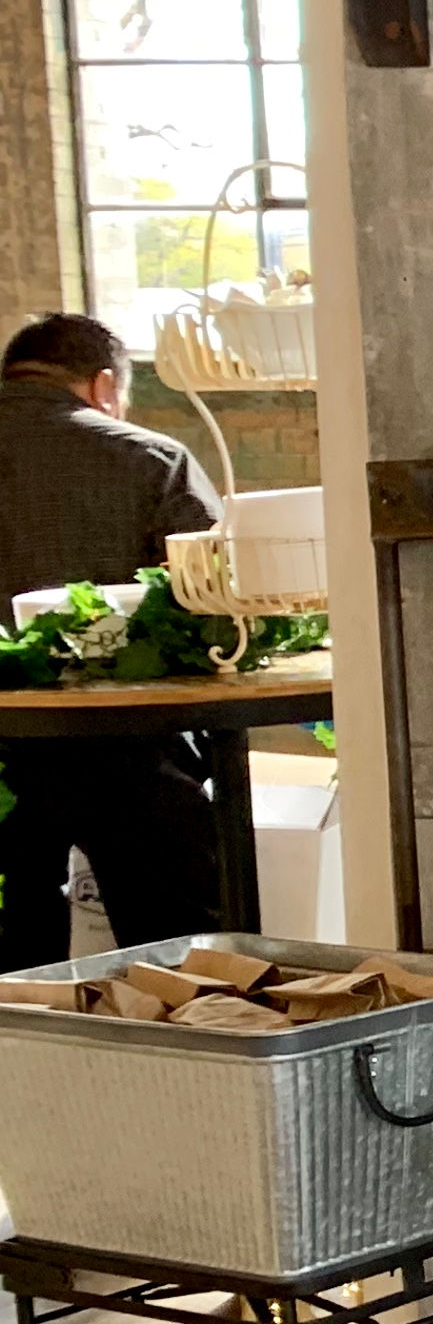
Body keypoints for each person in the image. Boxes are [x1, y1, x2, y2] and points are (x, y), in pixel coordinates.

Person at [0, 312, 223, 967]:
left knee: (13, 953)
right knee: (177, 950)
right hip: (125, 748)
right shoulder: (150, 460)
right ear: (103, 386)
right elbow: (215, 607)